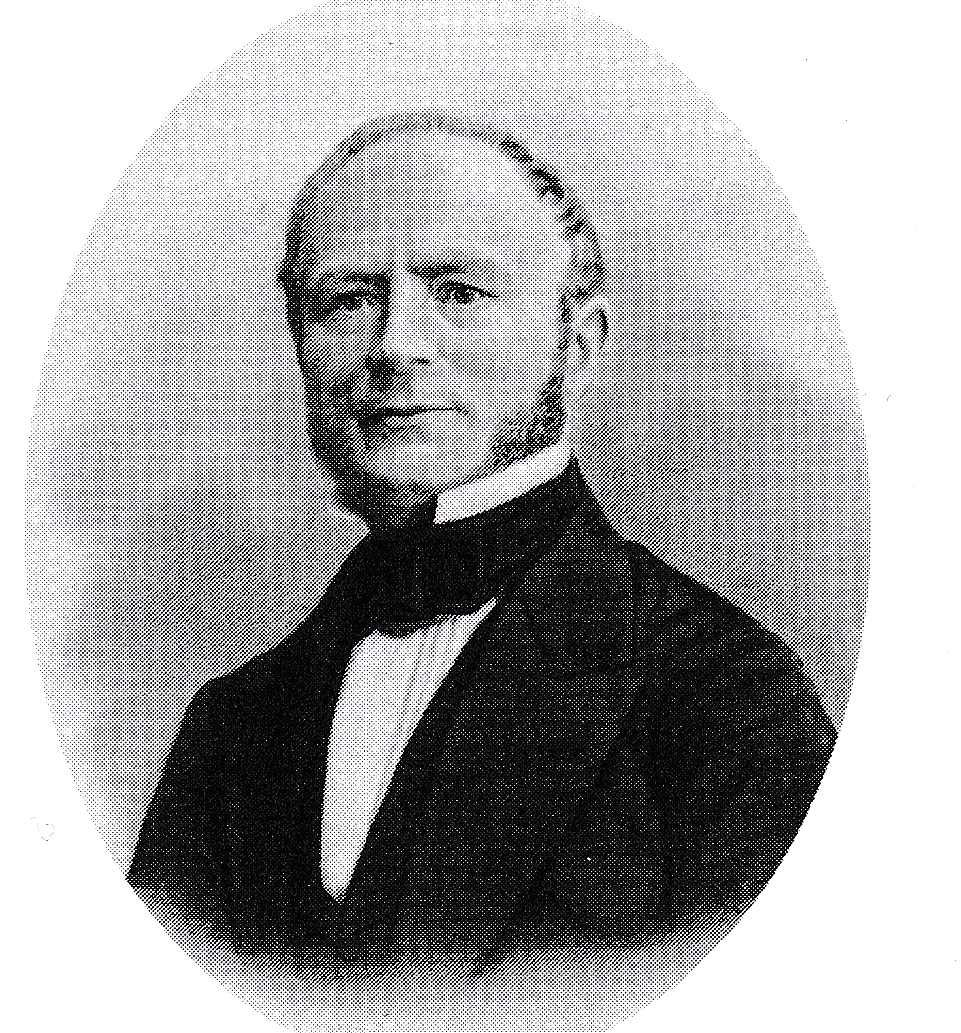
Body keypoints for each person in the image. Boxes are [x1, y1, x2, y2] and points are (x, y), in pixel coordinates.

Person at [128, 109, 836, 987]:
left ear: (578, 344)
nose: (395, 346)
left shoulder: (729, 701)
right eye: (348, 300)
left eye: (459, 293)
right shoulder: (231, 727)